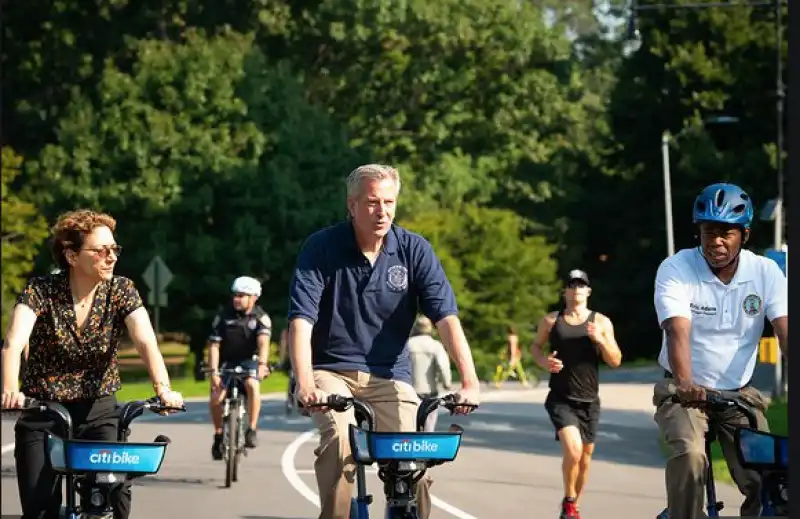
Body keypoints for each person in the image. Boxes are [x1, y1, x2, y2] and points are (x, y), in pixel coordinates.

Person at [287, 163, 481, 519]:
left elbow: (446, 319)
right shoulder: (321, 247)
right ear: (352, 205)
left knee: (413, 457)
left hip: (390, 375)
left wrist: (469, 381)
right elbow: (301, 321)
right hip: (330, 372)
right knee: (341, 444)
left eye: (389, 202)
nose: (382, 211)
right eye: (373, 202)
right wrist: (304, 384)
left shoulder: (414, 250)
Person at [1, 209, 184, 519]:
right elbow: (14, 342)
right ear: (72, 256)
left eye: (114, 249)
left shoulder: (121, 290)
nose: (111, 257)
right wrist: (10, 390)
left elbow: (144, 339)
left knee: (111, 498)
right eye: (101, 250)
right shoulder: (41, 291)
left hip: (98, 411)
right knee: (38, 507)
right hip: (44, 409)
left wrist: (163, 388)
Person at [652, 182, 788, 519]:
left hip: (738, 394)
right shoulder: (677, 269)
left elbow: (786, 329)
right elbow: (676, 329)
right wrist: (685, 384)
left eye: (726, 232)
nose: (716, 241)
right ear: (698, 232)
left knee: (769, 475)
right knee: (690, 456)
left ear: (745, 234)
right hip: (684, 391)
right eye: (709, 231)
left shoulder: (765, 272)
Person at [530, 269, 622, 519]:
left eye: (581, 285)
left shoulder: (601, 322)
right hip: (560, 398)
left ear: (588, 291)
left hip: (590, 400)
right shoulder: (551, 321)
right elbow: (535, 347)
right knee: (574, 450)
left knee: (585, 459)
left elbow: (615, 360)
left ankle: (572, 507)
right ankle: (569, 499)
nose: (577, 289)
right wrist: (544, 362)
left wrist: (600, 339)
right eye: (572, 285)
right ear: (565, 291)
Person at [207, 276, 272, 459]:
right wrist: (213, 373)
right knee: (215, 398)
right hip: (227, 363)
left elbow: (263, 343)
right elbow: (214, 346)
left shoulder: (261, 318)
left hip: (249, 361)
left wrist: (262, 365)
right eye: (235, 295)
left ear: (254, 298)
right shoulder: (222, 316)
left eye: (242, 295)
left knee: (253, 385)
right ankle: (219, 436)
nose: (237, 299)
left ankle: (251, 429)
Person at [408, 315, 453, 431]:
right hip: (430, 392)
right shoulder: (435, 346)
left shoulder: (407, 345)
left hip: (409, 391)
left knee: (410, 425)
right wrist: (446, 383)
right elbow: (443, 366)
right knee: (429, 426)